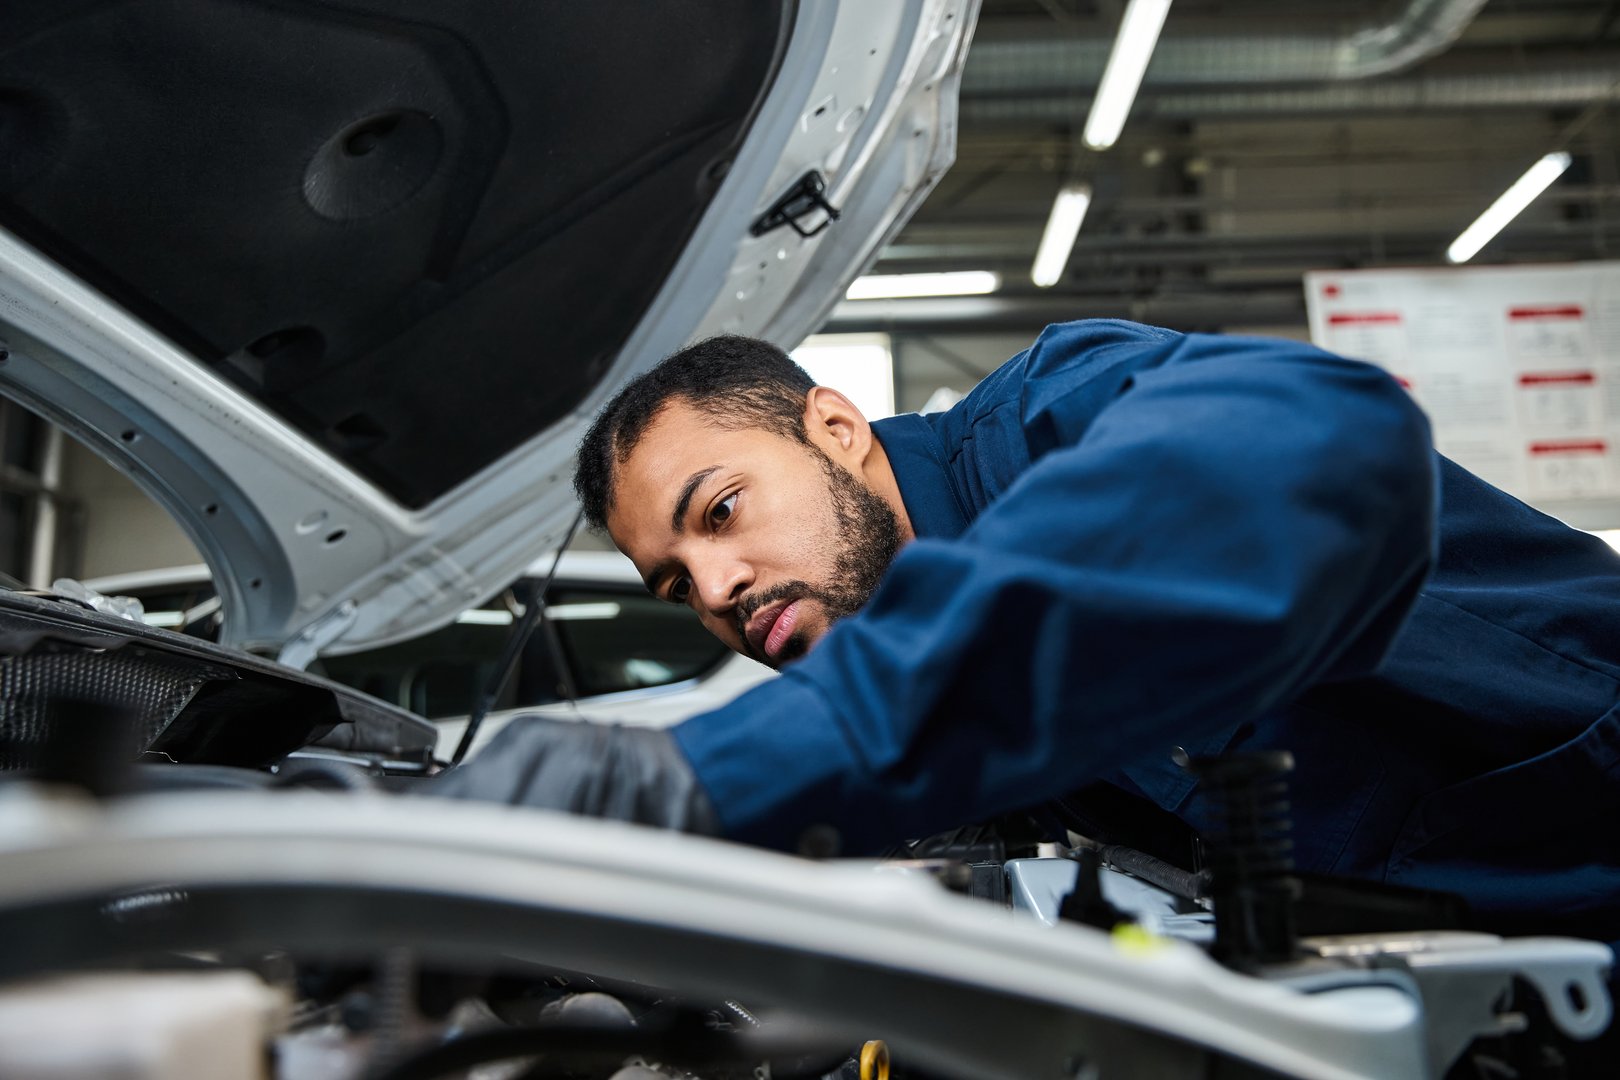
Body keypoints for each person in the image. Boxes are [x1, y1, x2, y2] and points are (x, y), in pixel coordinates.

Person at [430, 318, 1620, 956]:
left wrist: (704, 776)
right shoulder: (904, 655)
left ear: (836, 428)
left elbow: (1321, 424)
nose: (721, 588)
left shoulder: (1058, 418)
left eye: (723, 512)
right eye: (675, 583)